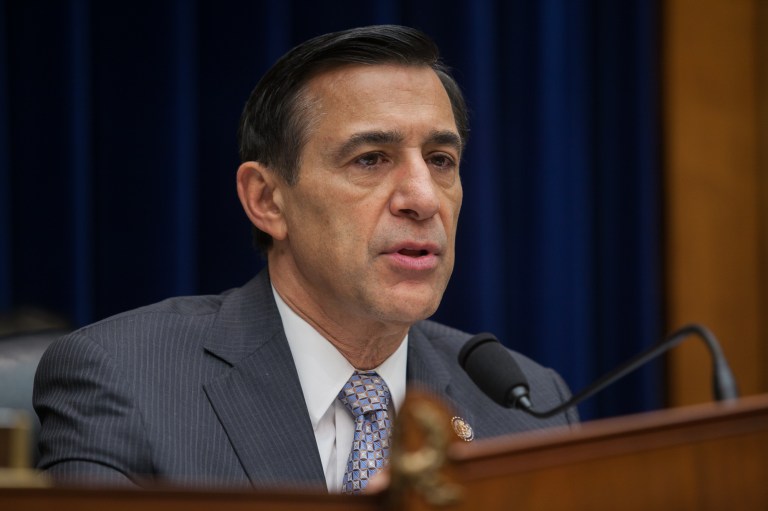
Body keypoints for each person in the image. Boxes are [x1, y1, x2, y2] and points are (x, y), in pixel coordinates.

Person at [33, 25, 578, 493]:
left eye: (440, 159)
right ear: (267, 200)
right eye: (370, 159)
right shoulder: (125, 380)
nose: (424, 197)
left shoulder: (524, 408)